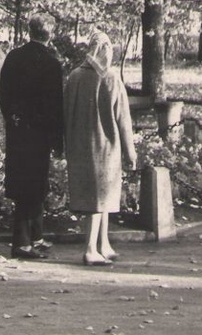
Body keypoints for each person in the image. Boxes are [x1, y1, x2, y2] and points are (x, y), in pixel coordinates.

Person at [64, 29, 137, 266]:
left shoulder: (74, 76)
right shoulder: (111, 78)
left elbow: (64, 113)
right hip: (105, 146)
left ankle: (104, 243)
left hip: (79, 145)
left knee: (98, 197)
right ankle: (90, 249)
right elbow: (123, 119)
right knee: (99, 198)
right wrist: (130, 152)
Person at [0, 15, 64, 260]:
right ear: (50, 34)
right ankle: (22, 243)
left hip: (18, 131)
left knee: (25, 184)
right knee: (34, 186)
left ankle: (36, 235)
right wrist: (58, 141)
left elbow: (3, 94)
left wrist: (12, 118)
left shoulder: (14, 57)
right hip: (40, 134)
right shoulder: (51, 63)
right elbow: (56, 106)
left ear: (30, 31)